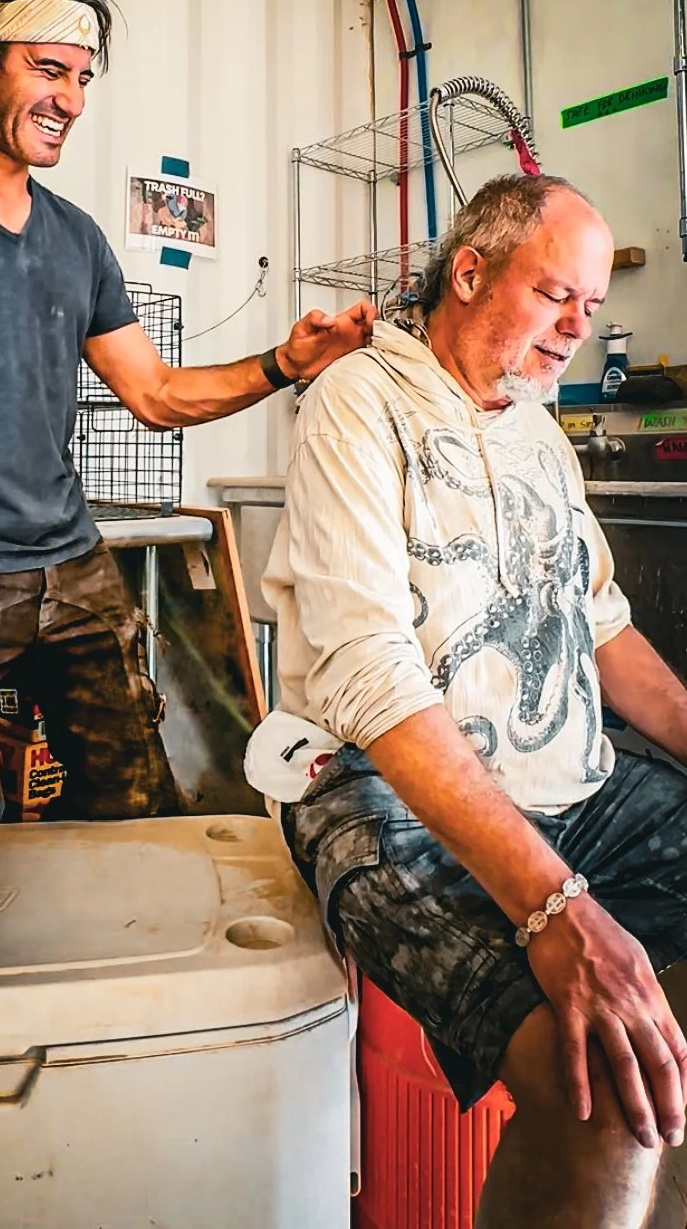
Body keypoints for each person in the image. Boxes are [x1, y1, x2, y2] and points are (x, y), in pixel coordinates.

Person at [0, 0, 374, 982]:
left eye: (84, 77)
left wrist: (283, 361)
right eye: (49, 69)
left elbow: (156, 393)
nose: (72, 99)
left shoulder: (75, 238)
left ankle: (104, 1039)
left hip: (73, 568)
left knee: (134, 809)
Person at [245, 174, 687, 1229]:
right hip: (378, 788)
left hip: (566, 781)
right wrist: (553, 904)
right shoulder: (358, 402)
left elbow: (601, 623)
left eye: (590, 306)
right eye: (553, 295)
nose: (577, 327)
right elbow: (368, 672)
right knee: (602, 1101)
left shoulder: (538, 430)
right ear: (471, 269)